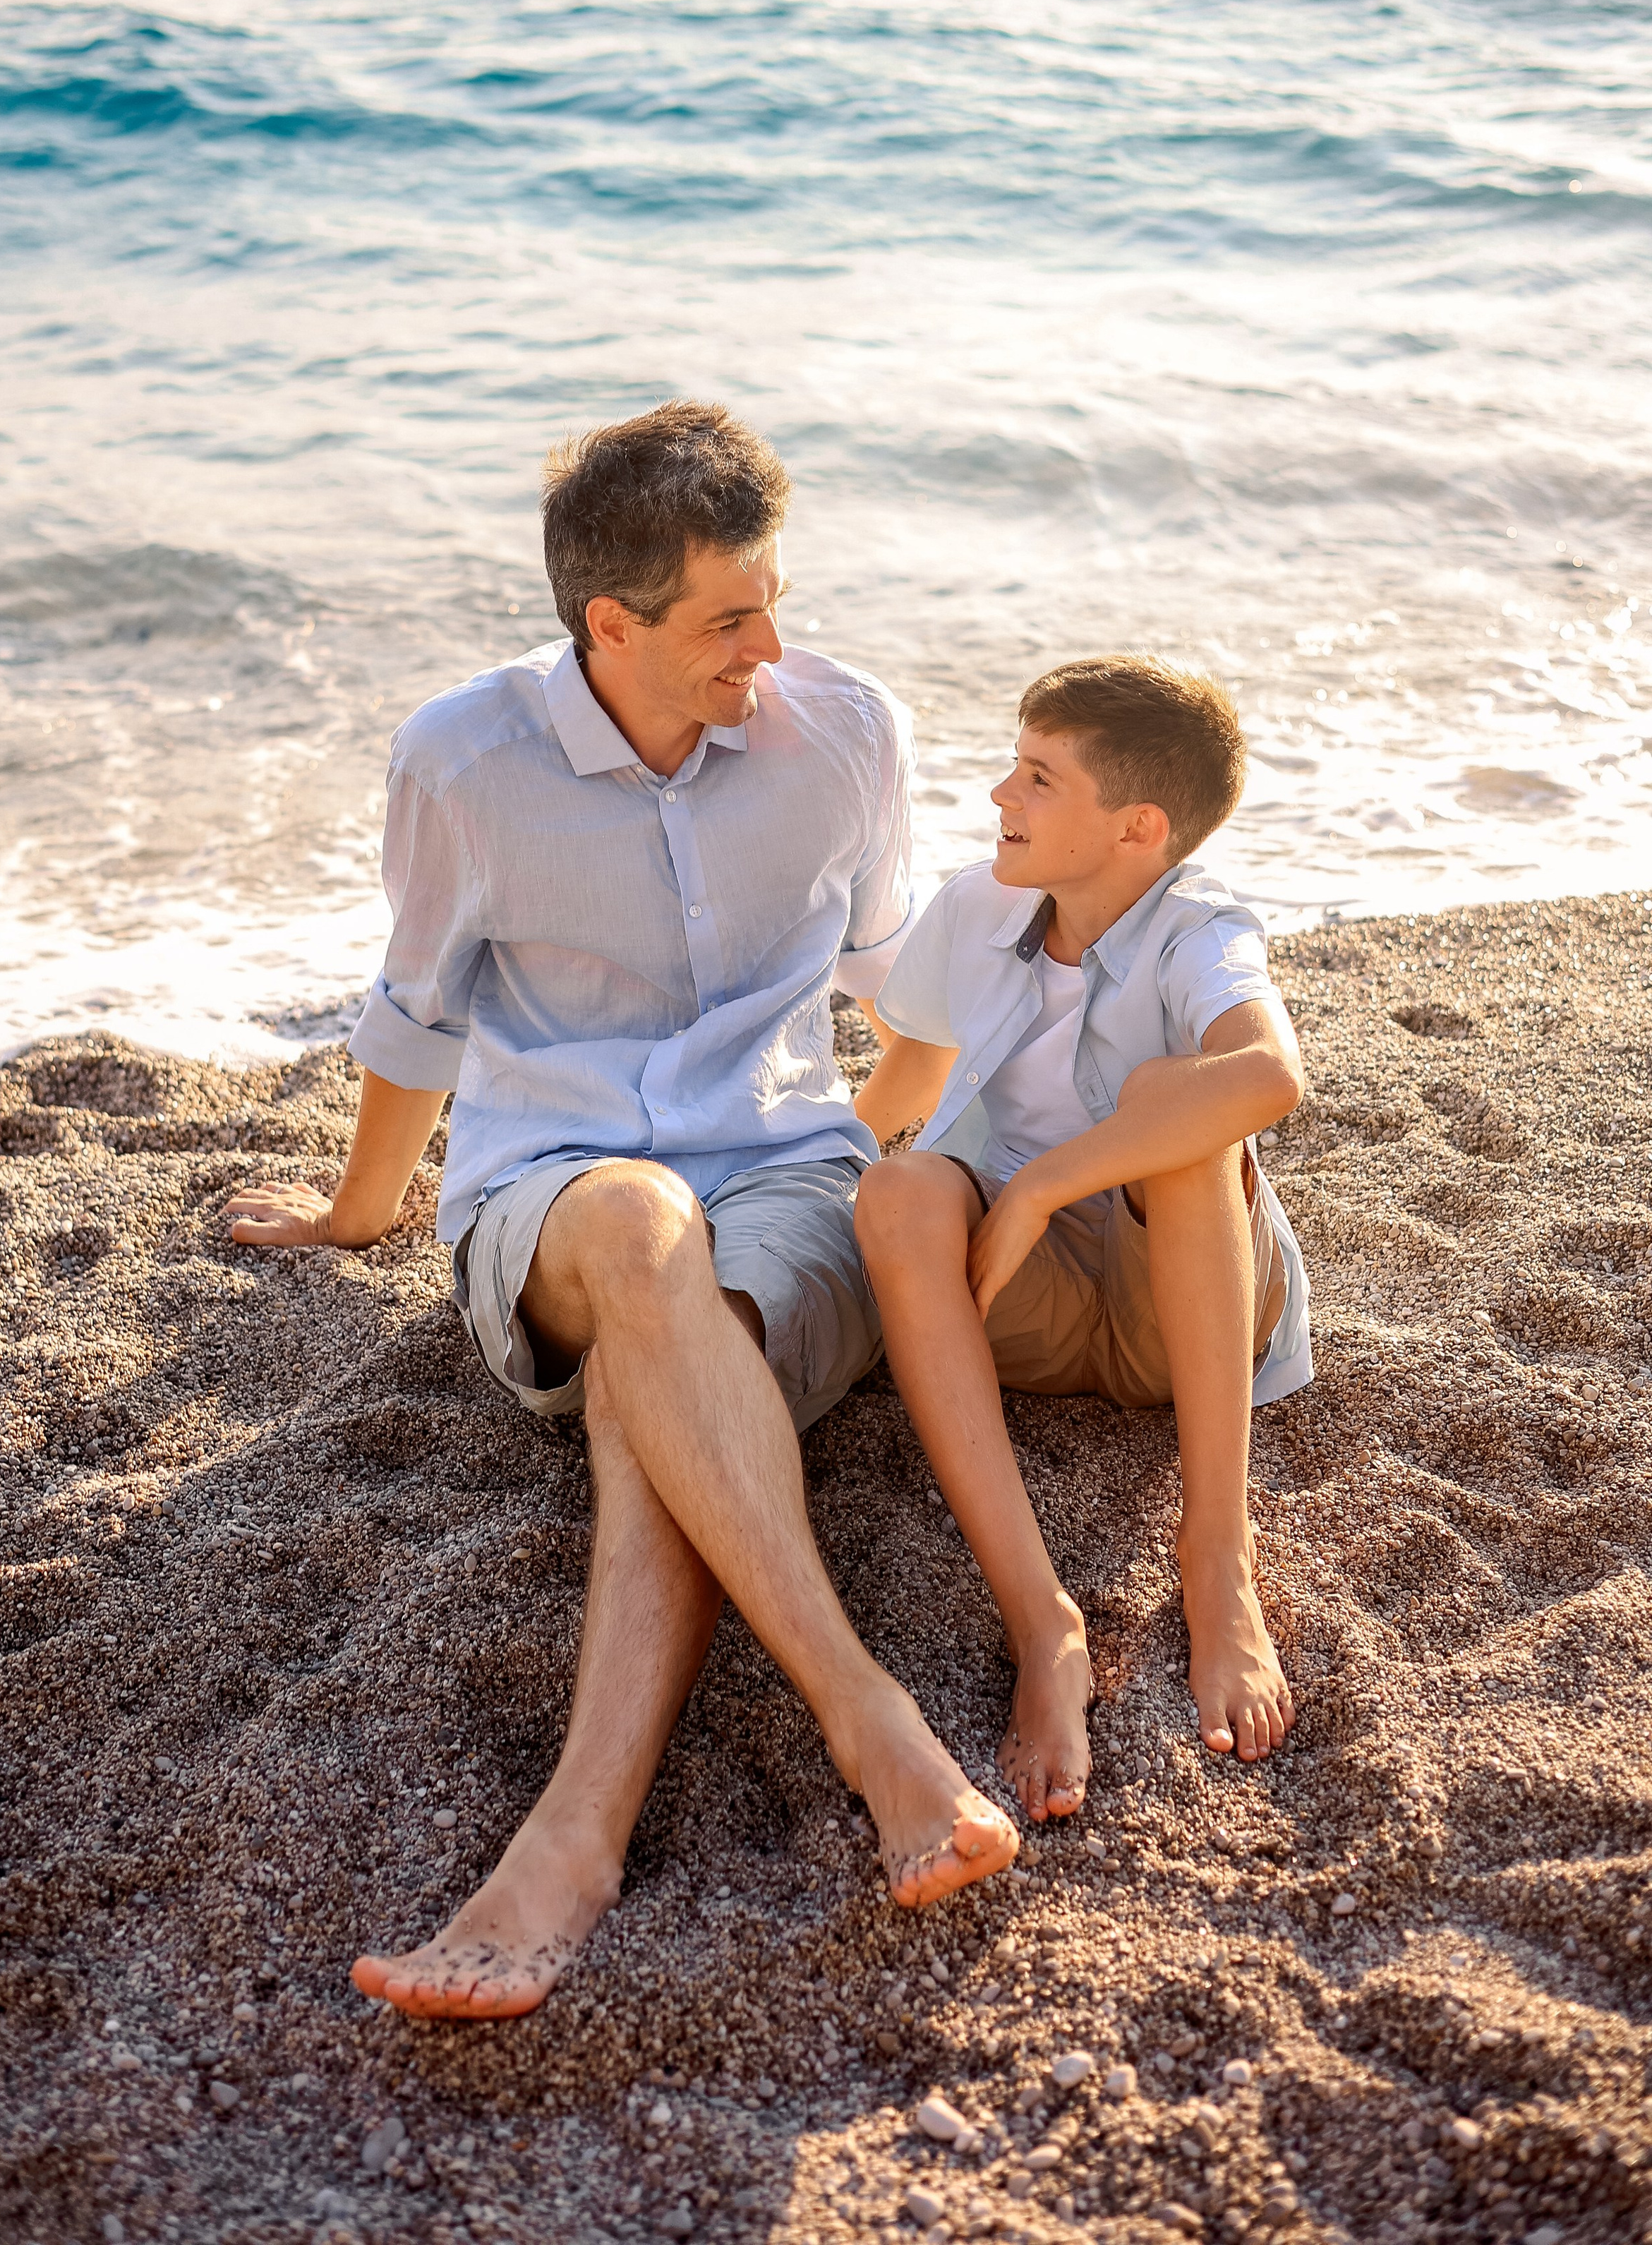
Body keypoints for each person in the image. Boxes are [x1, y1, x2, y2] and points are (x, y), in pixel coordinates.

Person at [226, 402, 1017, 2021]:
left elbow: (896, 979)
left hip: (790, 1175)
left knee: (671, 1370)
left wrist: (863, 1142)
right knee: (646, 1232)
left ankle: (571, 1844)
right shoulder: (464, 759)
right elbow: (416, 1013)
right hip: (555, 1194)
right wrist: (360, 1210)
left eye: (775, 599)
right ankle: (869, 1719)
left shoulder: (843, 730)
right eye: (732, 618)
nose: (771, 646)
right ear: (612, 623)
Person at [852, 656, 1310, 1826]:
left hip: (1185, 1320)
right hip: (1030, 1309)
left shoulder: (1201, 928)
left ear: (1137, 828)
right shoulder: (975, 908)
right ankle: (1040, 1622)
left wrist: (1044, 1185)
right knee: (900, 1190)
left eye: (1039, 779)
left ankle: (1217, 1559)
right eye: (1015, 766)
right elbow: (903, 1087)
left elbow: (1266, 1076)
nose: (1000, 796)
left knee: (1184, 1105)